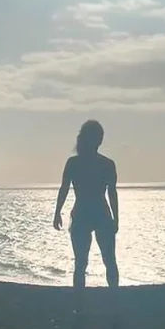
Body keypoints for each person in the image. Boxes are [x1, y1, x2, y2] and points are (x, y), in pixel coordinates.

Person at [53, 120, 120, 293]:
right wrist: (57, 212)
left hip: (95, 213)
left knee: (106, 260)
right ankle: (81, 298)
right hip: (85, 213)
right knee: (83, 262)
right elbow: (64, 188)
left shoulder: (106, 164)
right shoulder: (75, 163)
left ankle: (113, 295)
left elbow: (112, 193)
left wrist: (116, 219)